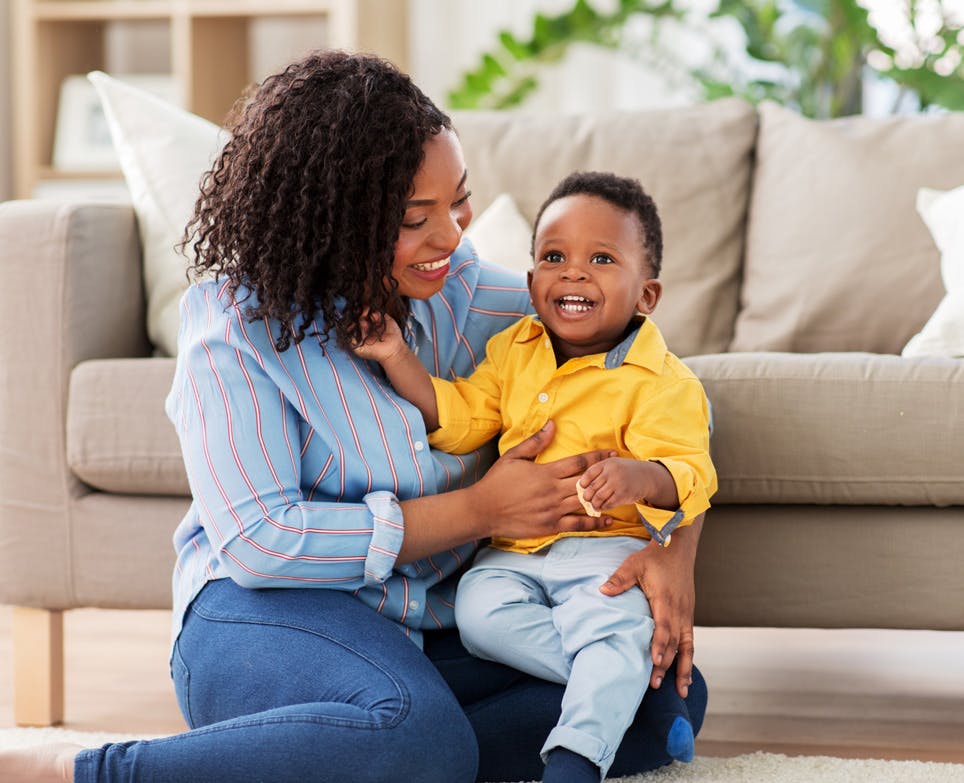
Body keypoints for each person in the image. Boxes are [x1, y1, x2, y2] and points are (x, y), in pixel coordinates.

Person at [0, 52, 707, 783]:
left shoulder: (485, 301)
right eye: (413, 219)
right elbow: (259, 540)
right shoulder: (236, 327)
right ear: (337, 221)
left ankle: (353, 749)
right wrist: (476, 508)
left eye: (457, 202)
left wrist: (674, 550)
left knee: (663, 699)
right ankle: (80, 770)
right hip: (264, 614)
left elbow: (660, 390)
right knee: (421, 738)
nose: (451, 238)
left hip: (424, 626)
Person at [353, 170, 717, 782]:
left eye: (601, 258)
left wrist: (640, 476)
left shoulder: (662, 380)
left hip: (605, 553)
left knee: (613, 624)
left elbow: (689, 470)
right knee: (478, 615)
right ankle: (633, 688)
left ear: (646, 295)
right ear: (531, 283)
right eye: (554, 257)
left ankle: (575, 759)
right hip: (513, 552)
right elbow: (463, 416)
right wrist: (397, 357)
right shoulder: (514, 350)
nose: (573, 272)